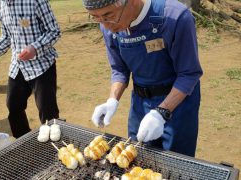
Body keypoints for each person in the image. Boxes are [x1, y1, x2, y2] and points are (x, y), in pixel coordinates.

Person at [83, 0, 203, 156]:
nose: (106, 25)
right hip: (140, 104)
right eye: (96, 18)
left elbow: (189, 74)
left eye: (109, 15)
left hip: (179, 105)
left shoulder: (175, 17)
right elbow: (119, 69)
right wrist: (112, 100)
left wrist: (161, 113)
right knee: (136, 158)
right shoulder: (108, 27)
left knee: (177, 163)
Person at [0, 0, 61, 138]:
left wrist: (35, 48)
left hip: (42, 65)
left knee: (48, 113)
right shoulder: (1, 4)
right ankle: (23, 142)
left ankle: (54, 150)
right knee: (13, 107)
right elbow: (6, 37)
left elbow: (54, 31)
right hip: (18, 65)